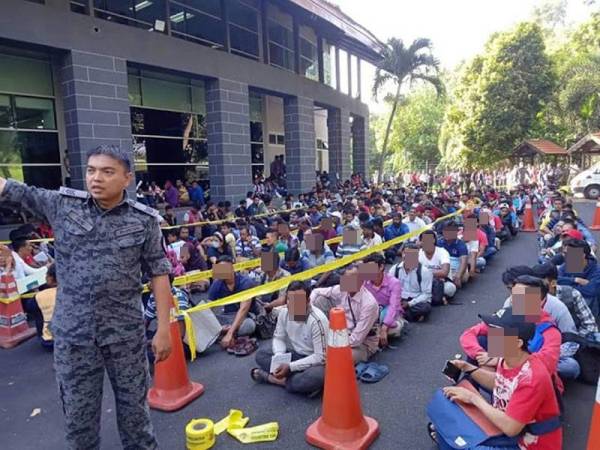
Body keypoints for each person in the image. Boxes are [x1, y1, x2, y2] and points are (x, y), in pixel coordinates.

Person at [0, 145, 173, 449]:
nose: (96, 178)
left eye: (107, 171)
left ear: (127, 179)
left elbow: (159, 273)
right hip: (74, 338)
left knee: (136, 421)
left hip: (125, 336)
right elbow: (16, 190)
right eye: (91, 170)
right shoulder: (63, 205)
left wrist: (163, 329)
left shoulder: (143, 220)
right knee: (80, 425)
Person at [433, 308, 562, 450]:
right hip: (506, 429)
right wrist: (468, 368)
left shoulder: (531, 377)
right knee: (446, 421)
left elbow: (511, 428)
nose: (491, 337)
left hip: (527, 442)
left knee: (459, 441)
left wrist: (473, 398)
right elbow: (501, 382)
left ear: (518, 343)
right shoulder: (509, 359)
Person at [251, 281, 328, 396]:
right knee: (261, 354)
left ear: (307, 302)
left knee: (315, 377)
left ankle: (274, 379)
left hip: (316, 362)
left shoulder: (317, 320)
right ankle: (296, 383)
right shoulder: (283, 313)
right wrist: (279, 356)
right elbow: (278, 338)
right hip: (297, 355)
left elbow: (320, 357)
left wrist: (290, 367)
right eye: (289, 300)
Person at [310, 265, 379, 363]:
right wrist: (310, 307)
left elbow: (356, 340)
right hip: (341, 332)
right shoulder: (342, 289)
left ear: (361, 281)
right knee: (320, 300)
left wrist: (332, 344)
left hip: (362, 343)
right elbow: (316, 291)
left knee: (336, 357)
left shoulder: (369, 304)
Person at [207, 257, 257, 349]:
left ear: (232, 268)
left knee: (249, 326)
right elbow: (208, 307)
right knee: (205, 322)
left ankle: (224, 333)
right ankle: (226, 332)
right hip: (227, 316)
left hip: (246, 317)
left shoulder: (245, 282)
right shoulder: (217, 283)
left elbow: (243, 310)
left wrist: (229, 333)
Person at [362, 253, 405, 345]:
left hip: (389, 312)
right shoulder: (364, 280)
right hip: (372, 312)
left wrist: (384, 328)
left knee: (394, 329)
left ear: (381, 267)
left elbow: (393, 306)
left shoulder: (394, 283)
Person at [389, 244, 433, 322]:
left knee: (425, 308)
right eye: (406, 253)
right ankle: (409, 315)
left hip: (415, 300)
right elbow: (389, 287)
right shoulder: (395, 269)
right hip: (399, 299)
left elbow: (426, 294)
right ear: (402, 254)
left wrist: (410, 303)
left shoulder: (424, 271)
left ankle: (400, 314)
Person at [557, 238, 600, 317]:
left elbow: (591, 291)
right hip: (567, 303)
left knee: (589, 298)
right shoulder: (568, 265)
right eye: (565, 253)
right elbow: (556, 279)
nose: (565, 256)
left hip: (588, 309)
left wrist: (567, 286)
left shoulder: (596, 270)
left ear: (582, 255)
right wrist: (575, 280)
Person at [33, 263, 58, 350]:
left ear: (50, 278)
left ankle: (43, 334)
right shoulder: (74, 292)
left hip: (50, 342)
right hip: (75, 338)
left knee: (38, 310)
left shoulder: (41, 295)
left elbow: (29, 308)